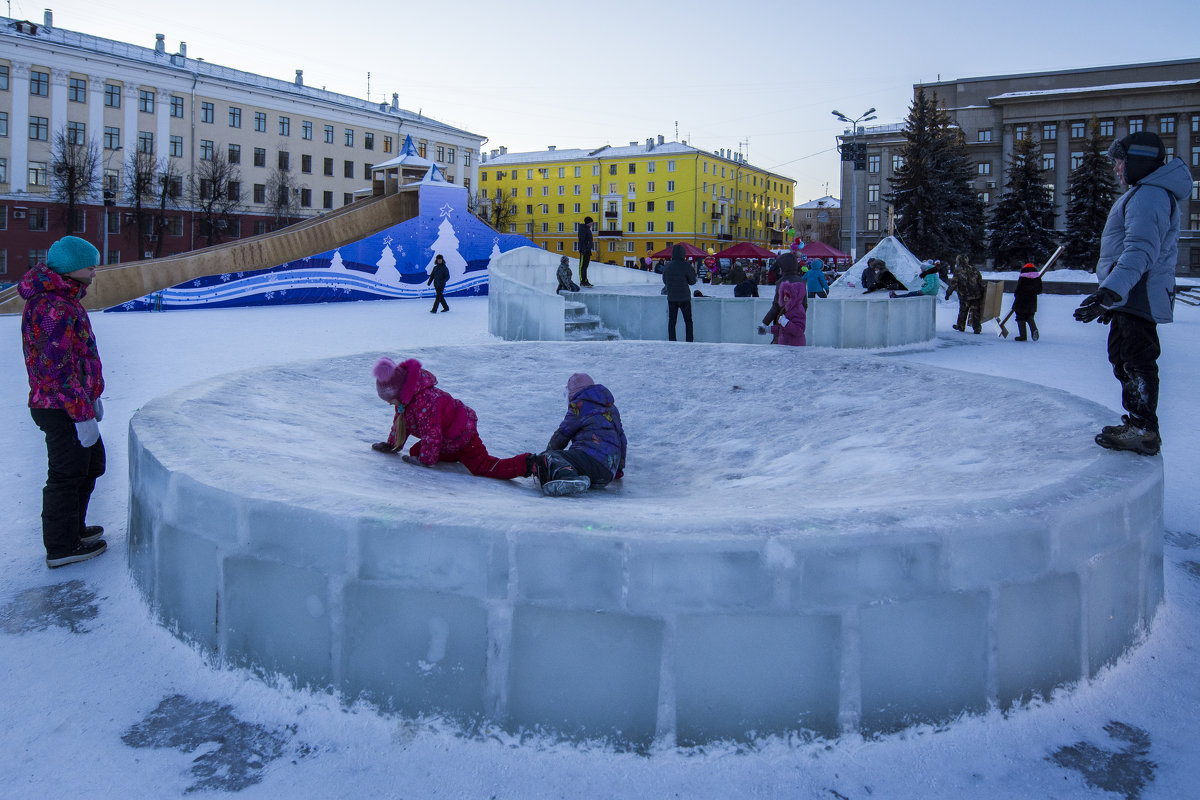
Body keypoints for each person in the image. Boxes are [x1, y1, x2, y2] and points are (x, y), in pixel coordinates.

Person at [1074, 130, 1189, 456]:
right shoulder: (1144, 193)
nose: (1116, 169)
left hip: (1140, 291)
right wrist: (1112, 297)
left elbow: (1139, 251)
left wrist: (1110, 293)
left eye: (1120, 161)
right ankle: (1138, 422)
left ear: (1137, 162)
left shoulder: (1150, 195)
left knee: (1137, 358)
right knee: (1121, 356)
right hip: (1131, 292)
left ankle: (1143, 429)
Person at [20, 236, 108, 568]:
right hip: (59, 406)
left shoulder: (65, 300)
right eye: (90, 265)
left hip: (73, 403)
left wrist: (92, 398)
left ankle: (75, 528)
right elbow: (54, 369)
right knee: (66, 476)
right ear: (72, 268)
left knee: (90, 466)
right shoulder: (52, 306)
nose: (95, 271)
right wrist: (81, 413)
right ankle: (60, 546)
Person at [371, 357, 533, 480]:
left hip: (462, 435)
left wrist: (426, 461)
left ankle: (531, 463)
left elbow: (431, 434)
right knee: (416, 451)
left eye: (390, 400)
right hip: (446, 439)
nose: (390, 404)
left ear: (399, 392)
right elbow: (401, 424)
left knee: (483, 467)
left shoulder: (426, 401)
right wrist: (391, 445)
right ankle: (454, 455)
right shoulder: (405, 402)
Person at [530, 373, 627, 497]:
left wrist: (546, 458)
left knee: (550, 456)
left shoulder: (580, 406)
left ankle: (568, 478)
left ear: (572, 391)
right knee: (573, 459)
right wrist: (618, 469)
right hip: (607, 473)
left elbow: (562, 435)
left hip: (590, 461)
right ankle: (581, 480)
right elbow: (622, 440)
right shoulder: (612, 409)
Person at [760, 252, 807, 346]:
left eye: (780, 267)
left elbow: (776, 306)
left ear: (784, 267)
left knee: (780, 347)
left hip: (782, 321)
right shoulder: (801, 282)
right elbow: (804, 304)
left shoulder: (781, 283)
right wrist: (798, 316)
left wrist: (764, 323)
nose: (779, 270)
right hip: (795, 322)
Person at [662, 243, 697, 342]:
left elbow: (665, 281)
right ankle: (689, 341)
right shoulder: (686, 265)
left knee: (672, 321)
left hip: (672, 297)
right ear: (683, 254)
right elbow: (692, 281)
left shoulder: (668, 266)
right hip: (684, 298)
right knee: (688, 321)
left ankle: (672, 340)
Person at [946, 254, 984, 333]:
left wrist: (948, 293)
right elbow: (980, 280)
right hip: (976, 294)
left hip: (964, 295)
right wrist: (982, 291)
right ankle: (977, 328)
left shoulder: (958, 270)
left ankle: (961, 326)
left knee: (963, 310)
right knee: (975, 311)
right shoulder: (973, 269)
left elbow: (954, 283)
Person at [1011, 262, 1043, 341]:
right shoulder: (1037, 277)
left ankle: (1023, 336)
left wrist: (1016, 295)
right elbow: (1039, 290)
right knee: (1030, 316)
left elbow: (1019, 288)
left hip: (1021, 300)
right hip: (1032, 300)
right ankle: (1034, 329)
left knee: (1020, 317)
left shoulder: (1023, 276)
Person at [577, 216, 594, 287]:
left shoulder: (587, 229)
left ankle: (585, 280)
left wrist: (589, 248)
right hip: (584, 250)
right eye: (591, 222)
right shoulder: (583, 229)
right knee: (582, 266)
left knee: (585, 266)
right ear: (588, 222)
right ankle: (582, 281)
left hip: (587, 250)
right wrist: (583, 249)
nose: (592, 224)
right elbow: (581, 240)